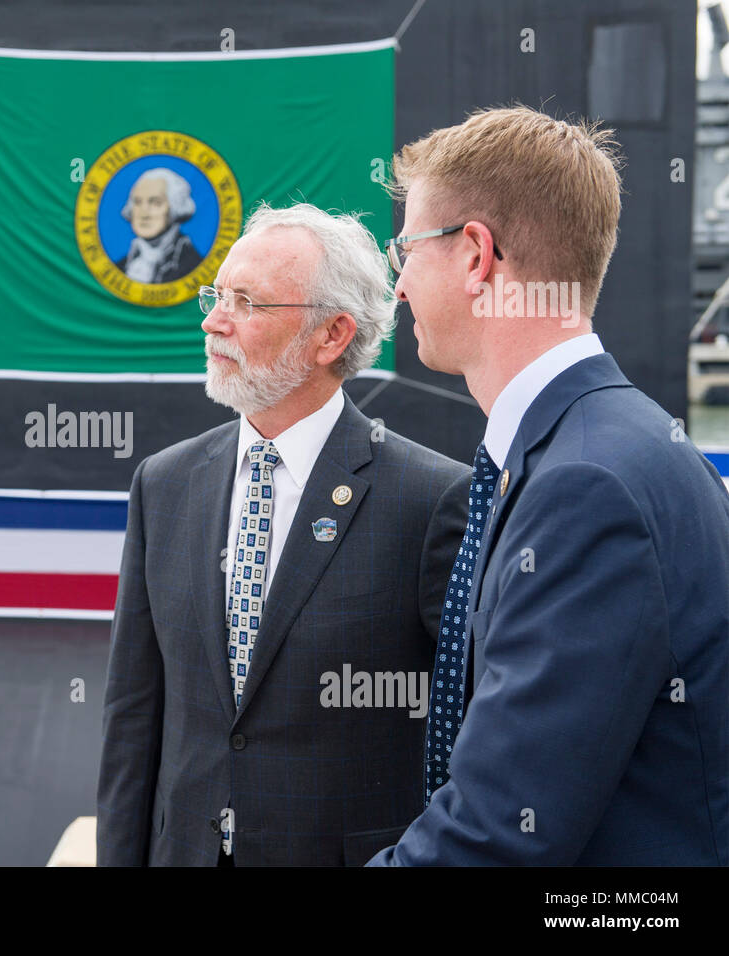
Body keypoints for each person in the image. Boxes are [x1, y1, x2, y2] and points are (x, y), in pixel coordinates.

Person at [369, 106, 729, 865]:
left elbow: (495, 836)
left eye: (405, 247)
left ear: (476, 255)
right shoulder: (611, 448)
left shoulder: (586, 488)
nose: (398, 284)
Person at [97, 201, 470, 866]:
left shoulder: (432, 499)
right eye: (217, 295)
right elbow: (134, 716)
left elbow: (469, 739)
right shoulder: (165, 484)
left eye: (247, 302)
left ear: (332, 335)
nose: (214, 320)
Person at [115, 168, 202, 283]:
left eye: (156, 202)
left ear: (175, 208)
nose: (144, 213)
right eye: (137, 202)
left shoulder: (193, 266)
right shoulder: (120, 268)